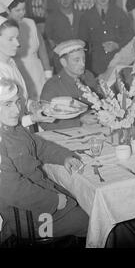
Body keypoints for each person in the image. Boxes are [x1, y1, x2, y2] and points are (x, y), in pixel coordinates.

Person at [0, 78, 89, 239]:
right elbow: (13, 191)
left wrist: (64, 157)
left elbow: (39, 146)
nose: (16, 110)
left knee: (84, 202)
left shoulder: (14, 129)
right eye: (7, 104)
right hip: (28, 220)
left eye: (17, 102)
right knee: (90, 222)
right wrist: (54, 201)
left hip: (39, 200)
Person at [0, 0, 52, 100]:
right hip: (18, 72)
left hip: (37, 71)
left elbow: (42, 48)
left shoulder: (30, 23)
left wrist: (47, 72)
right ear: (8, 10)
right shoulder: (3, 29)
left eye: (23, 9)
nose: (22, 13)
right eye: (17, 10)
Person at [0, 16, 54, 128]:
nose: (17, 44)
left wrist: (30, 105)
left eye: (17, 38)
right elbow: (5, 125)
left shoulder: (11, 62)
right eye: (10, 39)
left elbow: (18, 97)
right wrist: (32, 118)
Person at [40, 39, 99, 131]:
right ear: (64, 62)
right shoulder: (52, 86)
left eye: (84, 59)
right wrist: (79, 121)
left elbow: (100, 102)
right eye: (77, 60)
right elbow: (44, 122)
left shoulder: (88, 76)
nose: (82, 64)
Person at [79, 0, 134, 76]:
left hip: (119, 64)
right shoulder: (86, 17)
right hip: (96, 67)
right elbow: (82, 44)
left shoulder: (120, 14)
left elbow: (131, 38)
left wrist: (117, 45)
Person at [45, 0, 83, 74]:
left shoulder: (80, 16)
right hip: (61, 60)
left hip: (79, 57)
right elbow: (49, 37)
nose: (65, 0)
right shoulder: (52, 17)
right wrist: (56, 50)